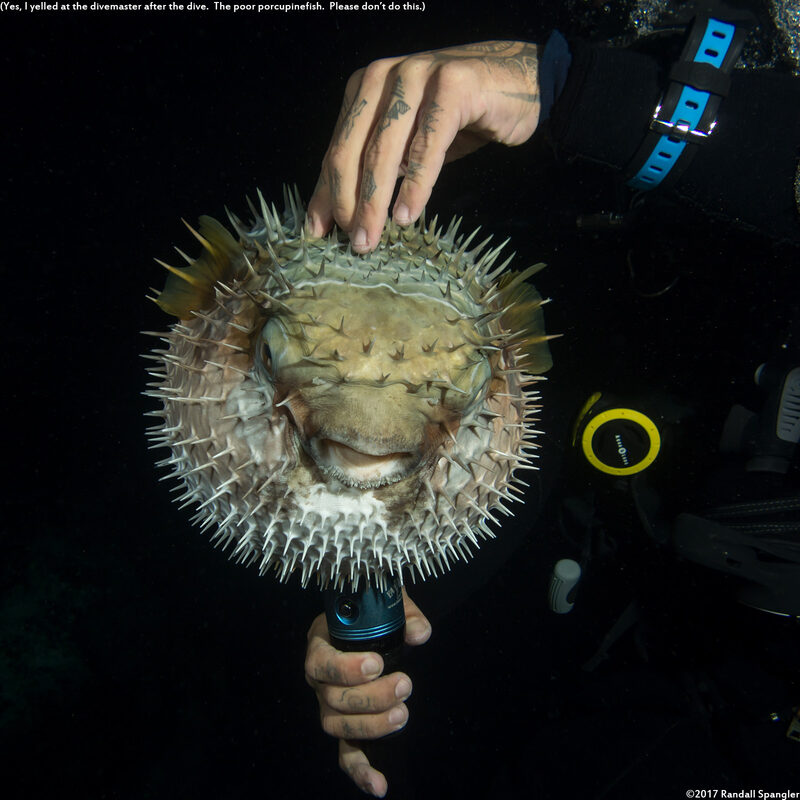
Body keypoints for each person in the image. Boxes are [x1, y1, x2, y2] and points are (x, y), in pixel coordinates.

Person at [303, 13, 800, 798]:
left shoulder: (570, 97)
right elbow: (534, 439)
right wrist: (392, 598)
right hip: (653, 672)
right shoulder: (552, 182)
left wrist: (584, 92)